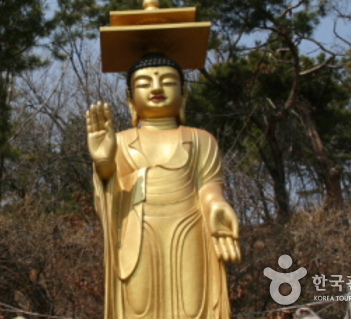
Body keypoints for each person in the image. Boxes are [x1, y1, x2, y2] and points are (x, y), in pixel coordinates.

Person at [86, 52, 241, 319]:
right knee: (138, 307)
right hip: (138, 234)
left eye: (168, 82)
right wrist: (103, 163)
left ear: (184, 93)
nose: (156, 88)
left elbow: (208, 184)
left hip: (190, 230)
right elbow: (108, 195)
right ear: (130, 98)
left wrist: (216, 204)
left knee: (192, 307)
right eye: (144, 83)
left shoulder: (201, 140)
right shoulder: (119, 141)